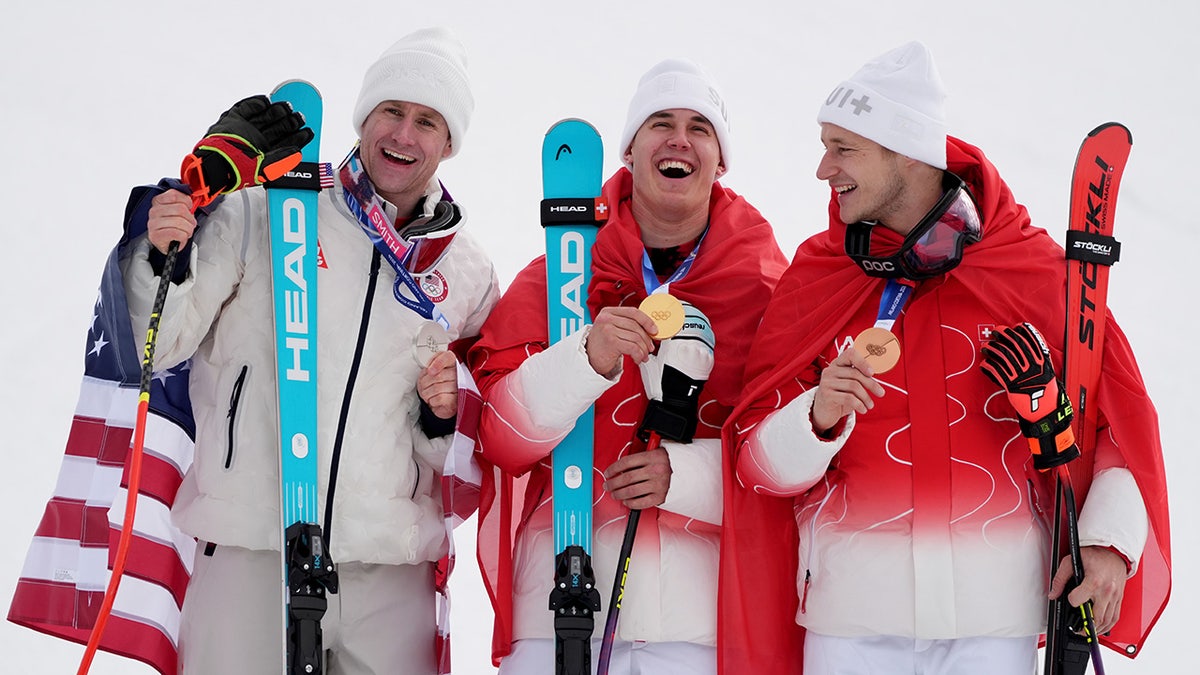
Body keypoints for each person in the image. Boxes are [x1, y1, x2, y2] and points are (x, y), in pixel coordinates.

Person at [722, 42, 1170, 674]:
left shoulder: (1031, 271)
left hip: (994, 624)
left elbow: (1117, 424)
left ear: (905, 152)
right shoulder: (820, 276)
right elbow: (753, 467)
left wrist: (1106, 544)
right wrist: (813, 419)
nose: (824, 169)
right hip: (852, 623)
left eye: (842, 148)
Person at [118, 27, 499, 674]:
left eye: (427, 121)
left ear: (449, 142)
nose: (404, 134)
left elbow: (465, 449)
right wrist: (162, 251)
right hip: (250, 541)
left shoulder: (465, 272)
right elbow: (157, 344)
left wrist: (443, 413)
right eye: (392, 112)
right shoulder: (266, 212)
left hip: (386, 562)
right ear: (364, 118)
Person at [467, 59, 788, 674]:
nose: (678, 139)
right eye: (660, 123)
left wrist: (685, 477)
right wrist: (587, 357)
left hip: (700, 627)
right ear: (629, 152)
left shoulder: (767, 289)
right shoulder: (560, 274)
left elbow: (789, 467)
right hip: (558, 616)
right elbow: (501, 443)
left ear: (721, 161)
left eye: (700, 127)